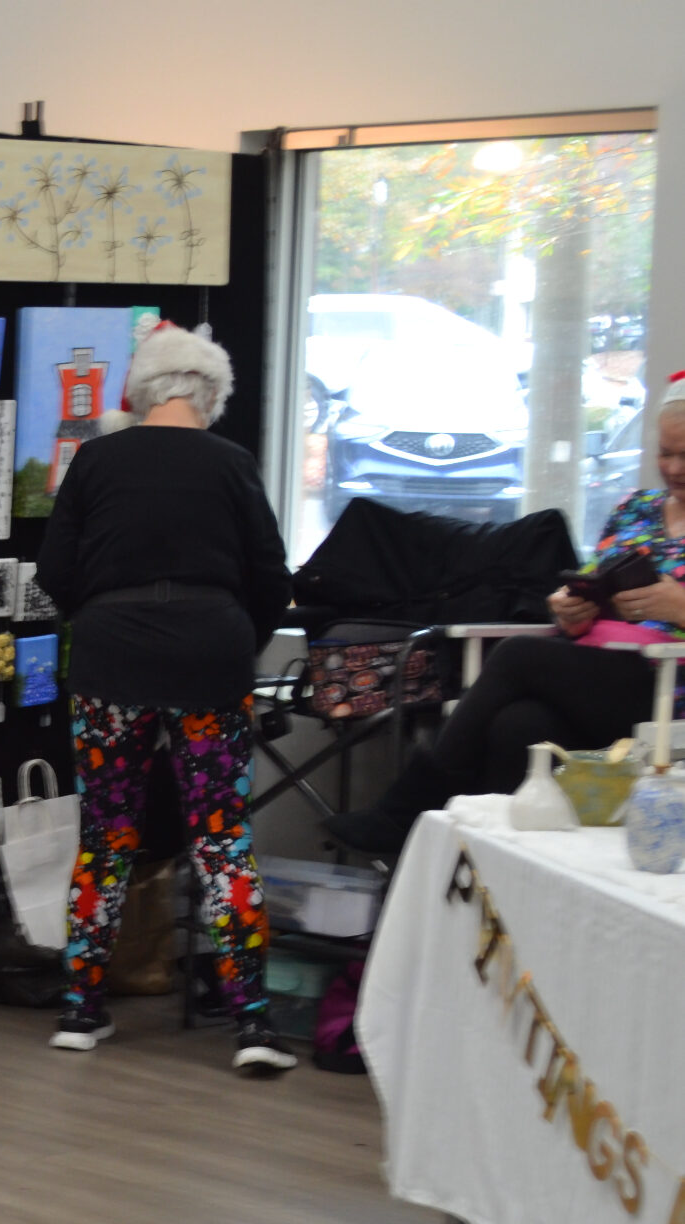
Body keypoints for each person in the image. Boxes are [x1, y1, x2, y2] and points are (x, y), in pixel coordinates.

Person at [34, 323, 297, 1073]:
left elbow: (55, 570)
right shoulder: (232, 463)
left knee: (107, 837)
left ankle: (81, 1012)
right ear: (208, 393)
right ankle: (252, 1025)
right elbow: (271, 579)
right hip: (210, 658)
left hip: (110, 658)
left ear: (141, 390)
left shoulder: (94, 460)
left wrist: (104, 616)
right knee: (221, 839)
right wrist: (229, 634)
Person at [327, 372, 685, 853]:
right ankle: (477, 869)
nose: (675, 467)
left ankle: (407, 810)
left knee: (518, 655)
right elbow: (598, 584)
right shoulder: (635, 509)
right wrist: (571, 607)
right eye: (666, 453)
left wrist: (678, 606)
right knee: (518, 726)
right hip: (601, 670)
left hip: (667, 693)